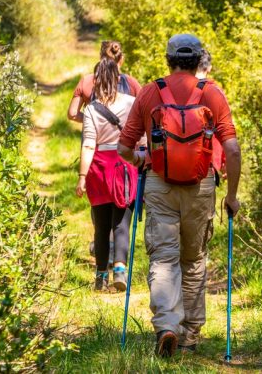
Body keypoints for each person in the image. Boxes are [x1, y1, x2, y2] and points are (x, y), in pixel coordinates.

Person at [118, 34, 241, 357]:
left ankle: (167, 325)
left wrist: (143, 159)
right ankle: (189, 334)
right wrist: (232, 195)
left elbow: (123, 149)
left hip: (160, 184)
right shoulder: (211, 93)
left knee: (163, 257)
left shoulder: (150, 91)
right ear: (199, 58)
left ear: (169, 58)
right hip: (201, 186)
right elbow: (232, 148)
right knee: (193, 259)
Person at [75, 42, 142, 292]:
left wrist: (82, 176)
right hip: (124, 166)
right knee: (121, 222)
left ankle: (100, 276)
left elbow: (89, 145)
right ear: (118, 77)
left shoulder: (92, 108)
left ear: (97, 80)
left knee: (101, 225)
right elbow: (141, 138)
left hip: (99, 168)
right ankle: (120, 269)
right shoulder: (132, 102)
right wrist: (141, 160)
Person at [67, 41, 141, 123]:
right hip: (124, 134)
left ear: (101, 58)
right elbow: (144, 110)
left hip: (93, 134)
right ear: (121, 59)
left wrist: (93, 120)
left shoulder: (87, 81)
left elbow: (72, 114)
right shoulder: (131, 83)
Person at [196, 49, 226, 181]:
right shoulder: (215, 92)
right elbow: (224, 130)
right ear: (209, 68)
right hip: (207, 164)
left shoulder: (176, 89)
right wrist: (225, 160)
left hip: (175, 163)